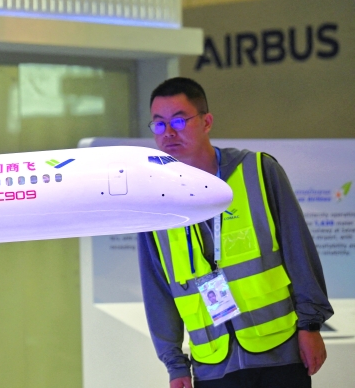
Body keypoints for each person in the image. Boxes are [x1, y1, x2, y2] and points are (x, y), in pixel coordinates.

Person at [138, 77, 332, 388]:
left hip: (279, 352)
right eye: (159, 124)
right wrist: (175, 365)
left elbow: (299, 251)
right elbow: (157, 287)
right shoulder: (153, 201)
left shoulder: (258, 170)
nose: (169, 133)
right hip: (212, 365)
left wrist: (310, 325)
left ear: (207, 122)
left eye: (179, 120)